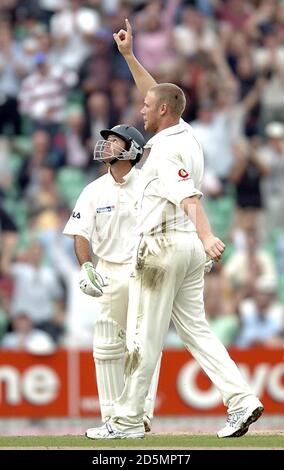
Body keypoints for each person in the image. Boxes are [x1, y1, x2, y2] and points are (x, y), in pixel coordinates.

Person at [87, 19, 263, 440]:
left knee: (142, 338)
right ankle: (241, 400)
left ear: (162, 111)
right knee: (196, 330)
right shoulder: (184, 132)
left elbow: (190, 197)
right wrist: (130, 57)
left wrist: (208, 235)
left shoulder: (165, 149)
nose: (141, 109)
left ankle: (127, 421)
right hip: (186, 250)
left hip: (164, 245)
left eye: (147, 107)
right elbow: (157, 93)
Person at [63, 124, 161, 432]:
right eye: (106, 141)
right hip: (108, 271)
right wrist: (87, 266)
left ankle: (140, 413)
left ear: (131, 150)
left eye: (114, 141)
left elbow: (172, 221)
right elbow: (80, 233)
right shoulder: (93, 190)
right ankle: (110, 417)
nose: (106, 146)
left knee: (142, 342)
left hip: (144, 268)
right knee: (106, 343)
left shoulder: (150, 185)